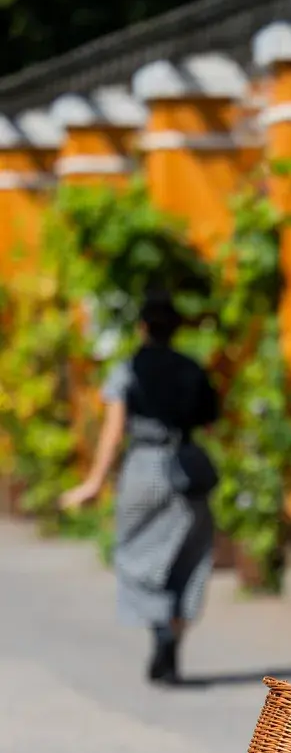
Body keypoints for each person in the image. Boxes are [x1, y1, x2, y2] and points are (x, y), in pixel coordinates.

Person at [61, 291, 219, 684]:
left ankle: (160, 628)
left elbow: (114, 430)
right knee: (188, 559)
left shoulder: (128, 369)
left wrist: (95, 481)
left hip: (143, 468)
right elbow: (211, 419)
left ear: (143, 327)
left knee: (135, 555)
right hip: (185, 467)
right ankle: (172, 641)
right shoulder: (191, 369)